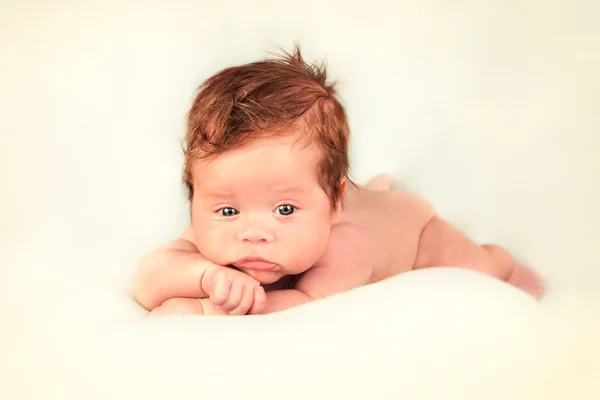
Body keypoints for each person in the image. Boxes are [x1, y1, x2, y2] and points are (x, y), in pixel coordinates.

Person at [132, 47, 544, 316]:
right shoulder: (222, 226)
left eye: (285, 210)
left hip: (413, 231)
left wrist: (208, 309)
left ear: (334, 205)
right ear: (195, 199)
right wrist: (203, 277)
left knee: (479, 270)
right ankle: (372, 188)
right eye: (227, 209)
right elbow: (149, 279)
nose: (253, 233)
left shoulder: (344, 248)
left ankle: (501, 260)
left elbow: (306, 309)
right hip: (346, 197)